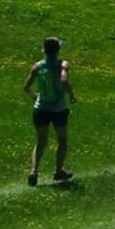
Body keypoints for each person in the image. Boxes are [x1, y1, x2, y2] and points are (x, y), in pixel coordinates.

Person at [24, 36, 76, 186]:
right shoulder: (62, 64)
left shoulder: (38, 66)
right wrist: (71, 94)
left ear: (44, 50)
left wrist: (36, 97)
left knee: (40, 142)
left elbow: (26, 87)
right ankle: (58, 171)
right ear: (58, 50)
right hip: (58, 109)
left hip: (40, 109)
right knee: (62, 140)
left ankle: (33, 171)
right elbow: (64, 81)